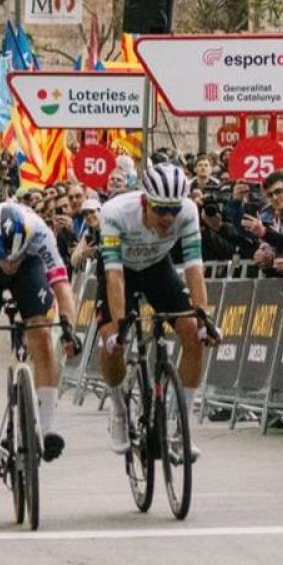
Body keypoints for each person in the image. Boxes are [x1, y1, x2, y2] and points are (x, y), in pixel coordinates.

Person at [95, 164, 216, 456]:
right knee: (112, 343)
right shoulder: (115, 213)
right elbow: (114, 276)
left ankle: (181, 429)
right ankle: (119, 410)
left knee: (193, 335)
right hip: (120, 270)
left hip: (158, 269)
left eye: (173, 210)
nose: (168, 218)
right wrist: (121, 326)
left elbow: (194, 269)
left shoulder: (188, 212)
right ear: (145, 201)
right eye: (161, 210)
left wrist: (203, 319)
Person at [0, 202, 78, 475]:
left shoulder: (39, 233)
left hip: (31, 265)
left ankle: (47, 427)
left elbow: (61, 285)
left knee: (43, 336)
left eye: (14, 258)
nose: (9, 264)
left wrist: (69, 328)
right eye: (6, 259)